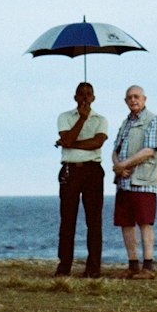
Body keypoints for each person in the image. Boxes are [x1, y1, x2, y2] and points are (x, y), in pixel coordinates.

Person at [54, 81, 108, 278]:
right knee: (67, 220)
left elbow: (97, 143)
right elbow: (66, 139)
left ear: (93, 97)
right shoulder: (65, 117)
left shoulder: (101, 120)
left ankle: (93, 268)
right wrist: (81, 121)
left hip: (92, 171)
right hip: (70, 171)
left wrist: (69, 142)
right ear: (75, 96)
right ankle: (64, 267)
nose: (85, 97)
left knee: (94, 221)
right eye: (81, 93)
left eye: (88, 94)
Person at [111, 85, 157, 278]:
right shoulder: (125, 123)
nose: (133, 100)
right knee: (126, 223)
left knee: (145, 222)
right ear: (125, 101)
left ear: (144, 99)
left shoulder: (153, 120)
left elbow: (150, 150)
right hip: (123, 183)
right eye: (129, 97)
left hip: (144, 181)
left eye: (136, 97)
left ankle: (148, 267)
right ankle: (133, 265)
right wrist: (118, 165)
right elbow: (115, 149)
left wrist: (124, 164)